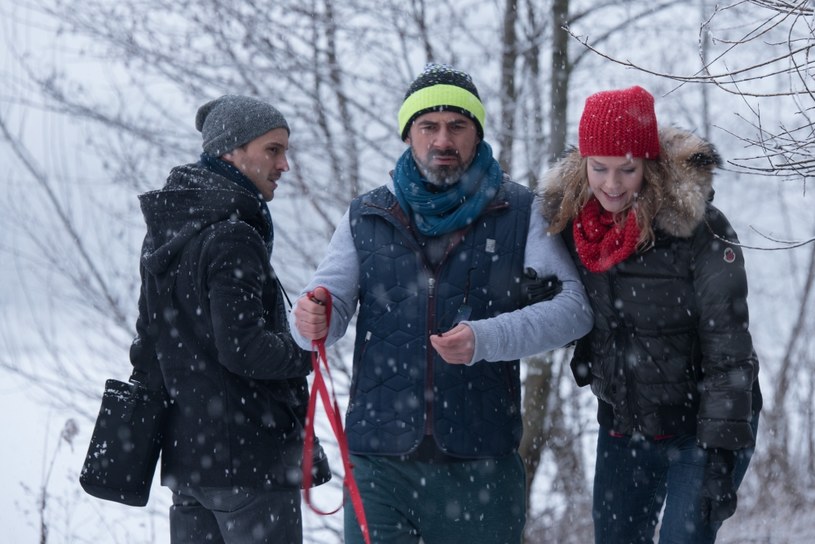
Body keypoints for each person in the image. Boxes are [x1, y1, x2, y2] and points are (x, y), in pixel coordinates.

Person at [290, 63, 593, 544]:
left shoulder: (519, 211)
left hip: (483, 462)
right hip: (380, 462)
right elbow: (324, 311)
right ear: (408, 135)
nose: (442, 140)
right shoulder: (367, 215)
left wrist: (486, 338)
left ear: (477, 134)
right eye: (428, 126)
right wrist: (312, 313)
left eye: (457, 126)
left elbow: (574, 310)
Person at [539, 85, 762, 544]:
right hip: (624, 425)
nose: (612, 184)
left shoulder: (701, 231)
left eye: (628, 169)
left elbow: (730, 351)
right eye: (599, 168)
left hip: (700, 429)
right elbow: (571, 315)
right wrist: (540, 295)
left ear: (650, 166)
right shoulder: (574, 227)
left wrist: (722, 453)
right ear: (583, 166)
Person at [130, 94, 325, 544]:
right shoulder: (234, 233)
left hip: (188, 462)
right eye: (272, 150)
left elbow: (148, 344)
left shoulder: (170, 229)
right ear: (231, 152)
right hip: (248, 459)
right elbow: (243, 349)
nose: (284, 165)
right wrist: (305, 348)